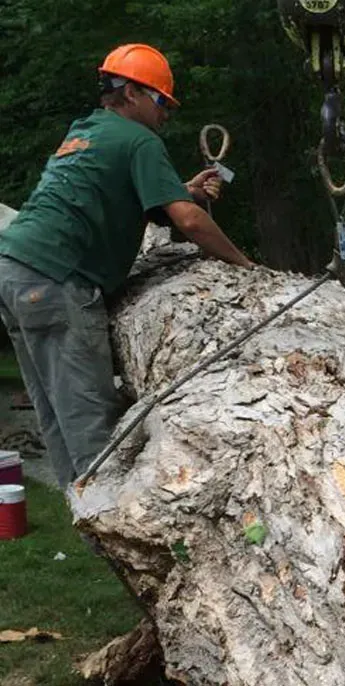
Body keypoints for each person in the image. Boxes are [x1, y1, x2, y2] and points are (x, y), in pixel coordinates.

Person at [0, 43, 253, 490]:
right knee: (93, 427)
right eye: (161, 101)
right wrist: (246, 267)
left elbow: (113, 196)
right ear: (132, 93)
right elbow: (190, 222)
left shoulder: (87, 130)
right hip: (56, 280)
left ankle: (81, 511)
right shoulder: (140, 141)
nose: (166, 115)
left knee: (56, 416)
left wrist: (181, 188)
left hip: (13, 269)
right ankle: (108, 521)